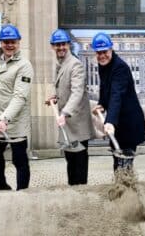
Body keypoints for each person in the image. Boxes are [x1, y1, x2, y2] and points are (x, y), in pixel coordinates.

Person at [0, 24, 33, 191]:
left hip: (14, 120)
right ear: (1, 42)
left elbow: (20, 96)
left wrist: (5, 118)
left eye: (13, 42)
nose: (9, 45)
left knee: (19, 159)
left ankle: (23, 192)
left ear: (18, 43)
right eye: (6, 42)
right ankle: (0, 186)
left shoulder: (24, 65)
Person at [45, 29, 95, 185]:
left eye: (63, 44)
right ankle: (73, 193)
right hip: (67, 123)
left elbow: (77, 92)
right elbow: (66, 90)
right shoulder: (60, 64)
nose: (60, 47)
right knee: (70, 161)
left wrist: (65, 112)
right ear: (53, 46)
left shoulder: (75, 65)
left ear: (68, 45)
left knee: (79, 163)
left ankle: (81, 196)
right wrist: (56, 98)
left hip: (77, 125)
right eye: (57, 45)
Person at [91, 32, 145, 171]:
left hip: (129, 123)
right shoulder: (103, 65)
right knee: (117, 161)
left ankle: (128, 191)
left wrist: (109, 121)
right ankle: (120, 190)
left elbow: (117, 95)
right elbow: (105, 88)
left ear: (111, 49)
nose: (102, 55)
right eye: (98, 53)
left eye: (104, 52)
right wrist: (102, 104)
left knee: (125, 163)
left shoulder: (119, 67)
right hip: (117, 123)